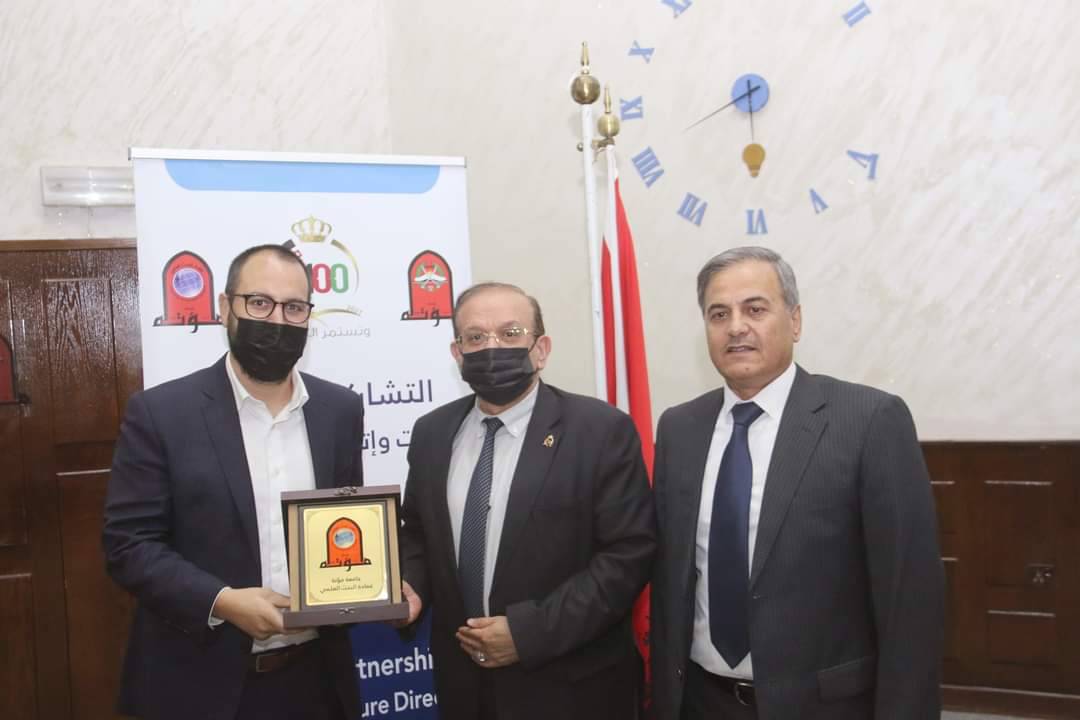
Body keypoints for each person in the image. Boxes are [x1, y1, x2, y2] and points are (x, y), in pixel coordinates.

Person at [650, 247, 944, 719]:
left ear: (796, 321)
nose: (736, 327)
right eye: (719, 314)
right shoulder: (679, 428)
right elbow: (671, 580)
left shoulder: (868, 420)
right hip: (700, 701)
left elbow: (909, 599)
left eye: (755, 309)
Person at [102, 244, 365, 720]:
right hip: (200, 685)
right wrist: (222, 601)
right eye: (259, 303)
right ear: (225, 308)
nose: (278, 321)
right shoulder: (162, 413)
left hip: (317, 682)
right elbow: (129, 545)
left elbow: (345, 525)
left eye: (294, 308)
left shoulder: (339, 412)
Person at [396, 282, 656, 720]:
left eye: (510, 333)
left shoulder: (600, 430)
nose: (491, 347)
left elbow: (628, 555)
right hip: (465, 687)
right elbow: (419, 532)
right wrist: (411, 587)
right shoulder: (432, 433)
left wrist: (529, 633)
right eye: (475, 337)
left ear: (541, 349)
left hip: (570, 689)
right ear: (457, 353)